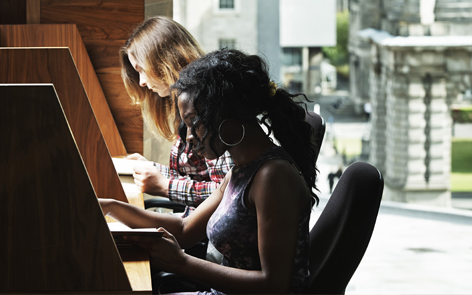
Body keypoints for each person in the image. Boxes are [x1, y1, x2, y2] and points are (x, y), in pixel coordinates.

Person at [100, 49, 319, 294]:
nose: (189, 137)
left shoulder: (273, 177)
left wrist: (180, 262)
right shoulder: (239, 172)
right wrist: (110, 207)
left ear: (225, 114)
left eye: (194, 122)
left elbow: (273, 285)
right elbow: (184, 230)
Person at [119, 16, 234, 216]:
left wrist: (165, 186)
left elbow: (228, 191)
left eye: (141, 70)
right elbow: (199, 176)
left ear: (164, 62)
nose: (142, 82)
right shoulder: (188, 103)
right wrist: (150, 170)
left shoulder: (207, 107)